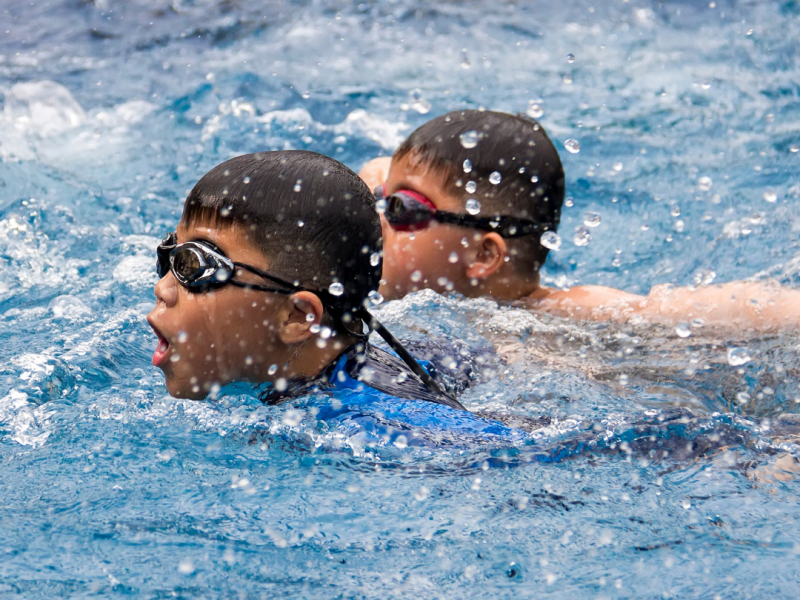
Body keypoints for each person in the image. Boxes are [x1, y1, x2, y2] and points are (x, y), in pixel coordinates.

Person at [360, 110, 800, 330]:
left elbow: (731, 311)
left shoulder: (567, 318)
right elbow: (376, 172)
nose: (376, 218)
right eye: (383, 201)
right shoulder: (404, 275)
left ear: (483, 255)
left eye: (403, 210)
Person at [147, 150, 468, 413]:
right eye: (170, 255)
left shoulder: (374, 429)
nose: (162, 288)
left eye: (195, 265)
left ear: (296, 316)